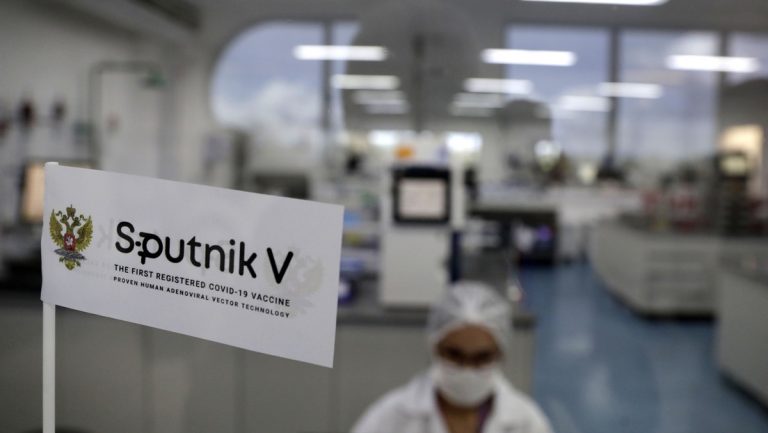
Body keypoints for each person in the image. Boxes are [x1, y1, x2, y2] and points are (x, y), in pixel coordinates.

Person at [352, 282, 552, 433]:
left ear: (500, 354)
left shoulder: (527, 423)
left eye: (481, 357)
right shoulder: (391, 418)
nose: (467, 369)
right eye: (455, 355)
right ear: (434, 348)